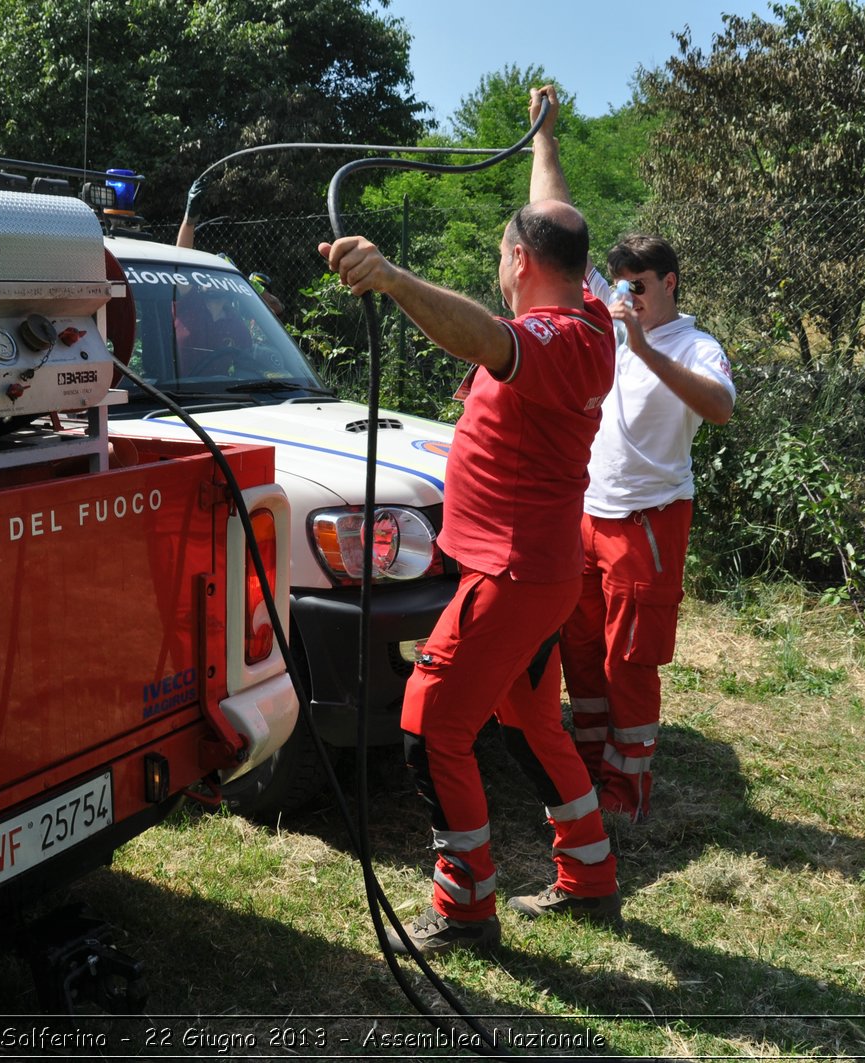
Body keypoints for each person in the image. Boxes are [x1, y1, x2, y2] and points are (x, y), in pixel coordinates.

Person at [317, 85, 619, 956]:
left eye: (501, 251)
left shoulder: (557, 338)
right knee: (531, 719)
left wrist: (390, 276)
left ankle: (464, 908)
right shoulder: (588, 304)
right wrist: (544, 135)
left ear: (520, 262)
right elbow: (551, 210)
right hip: (542, 567)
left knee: (430, 721)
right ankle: (590, 873)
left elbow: (486, 337)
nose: (500, 260)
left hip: (514, 574)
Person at [560, 235, 736, 823]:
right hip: (587, 514)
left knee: (628, 659)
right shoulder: (612, 317)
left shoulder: (694, 345)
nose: (627, 295)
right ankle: (585, 768)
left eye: (639, 285)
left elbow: (720, 407)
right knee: (579, 646)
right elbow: (561, 233)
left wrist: (640, 345)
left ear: (669, 283)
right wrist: (545, 143)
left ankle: (625, 792)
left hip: (649, 520)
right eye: (620, 284)